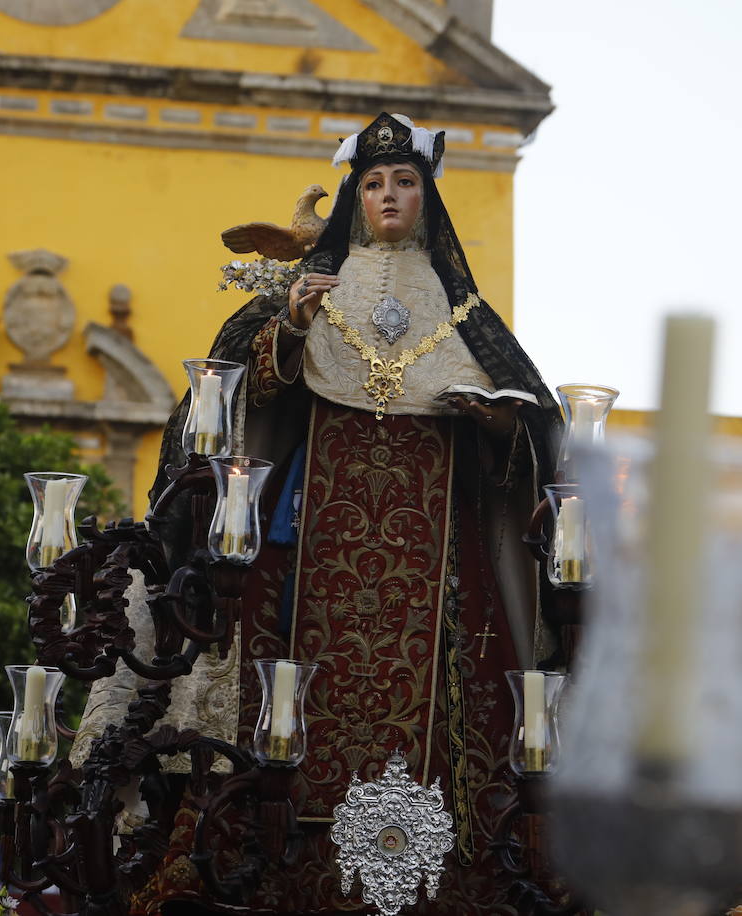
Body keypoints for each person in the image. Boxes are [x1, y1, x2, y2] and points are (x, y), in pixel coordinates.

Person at [133, 111, 563, 914]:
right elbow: (239, 397)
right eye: (373, 183)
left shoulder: (462, 309)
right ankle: (277, 858)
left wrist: (500, 421)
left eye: (405, 182)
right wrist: (291, 324)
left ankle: (443, 870)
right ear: (353, 196)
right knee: (288, 696)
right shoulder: (315, 285)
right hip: (312, 548)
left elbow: (531, 440)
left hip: (436, 562)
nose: (390, 195)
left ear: (427, 197)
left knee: (451, 705)